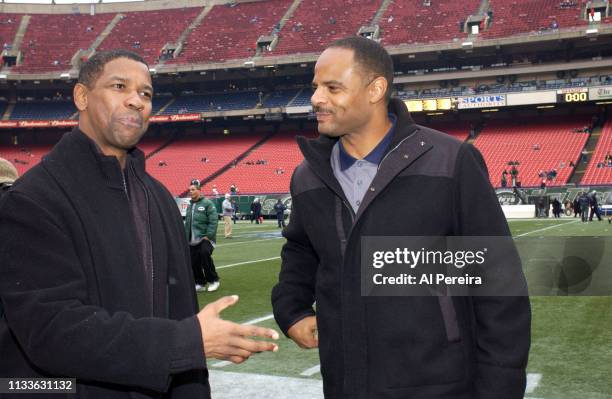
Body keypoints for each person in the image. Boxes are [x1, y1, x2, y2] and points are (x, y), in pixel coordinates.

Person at [0, 50, 278, 398]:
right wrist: (184, 343)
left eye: (146, 93)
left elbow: (180, 310)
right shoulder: (34, 198)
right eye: (119, 86)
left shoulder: (158, 196)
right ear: (82, 96)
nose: (136, 101)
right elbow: (51, 330)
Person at [272, 37, 530, 398]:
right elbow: (301, 251)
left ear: (376, 89)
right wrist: (292, 310)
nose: (316, 98)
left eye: (333, 87)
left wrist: (501, 386)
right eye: (315, 87)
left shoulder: (451, 162)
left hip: (440, 384)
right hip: (347, 383)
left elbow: (499, 283)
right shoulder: (308, 175)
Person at [186, 180, 221, 292]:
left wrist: (208, 235)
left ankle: (213, 280)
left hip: (205, 238)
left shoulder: (208, 203)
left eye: (193, 189)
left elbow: (213, 220)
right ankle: (199, 282)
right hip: (191, 239)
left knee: (204, 254)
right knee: (193, 261)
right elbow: (187, 223)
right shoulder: (189, 205)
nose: (191, 192)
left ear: (199, 190)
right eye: (190, 190)